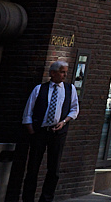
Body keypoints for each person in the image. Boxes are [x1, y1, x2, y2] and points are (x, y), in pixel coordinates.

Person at [20, 61, 79, 202]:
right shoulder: (40, 89)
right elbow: (28, 111)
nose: (65, 75)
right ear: (53, 73)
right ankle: (28, 198)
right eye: (62, 72)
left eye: (66, 72)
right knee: (33, 167)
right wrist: (31, 130)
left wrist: (64, 122)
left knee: (54, 169)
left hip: (58, 133)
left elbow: (74, 109)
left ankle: (46, 198)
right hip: (40, 132)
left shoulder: (70, 89)